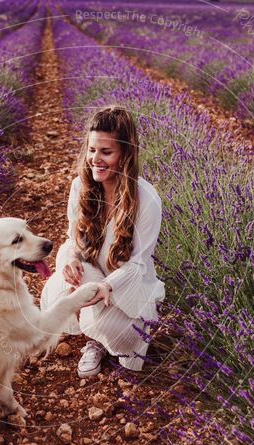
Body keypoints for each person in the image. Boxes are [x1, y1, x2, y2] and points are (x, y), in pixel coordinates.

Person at [40, 105, 165, 377]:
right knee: (57, 293)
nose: (96, 159)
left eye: (106, 152)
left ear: (125, 155)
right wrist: (72, 259)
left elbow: (139, 266)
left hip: (127, 287)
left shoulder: (147, 198)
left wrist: (106, 285)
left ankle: (111, 331)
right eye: (92, 150)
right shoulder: (80, 186)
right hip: (92, 276)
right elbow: (73, 238)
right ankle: (94, 339)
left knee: (120, 336)